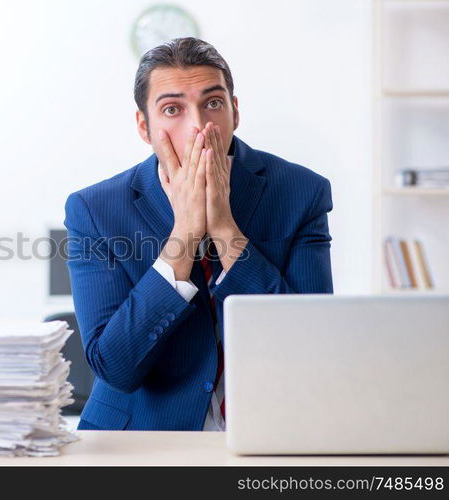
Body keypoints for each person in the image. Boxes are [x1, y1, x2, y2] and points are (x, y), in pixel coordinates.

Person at [63, 37, 333, 431]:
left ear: (235, 112)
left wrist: (224, 227)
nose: (198, 127)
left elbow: (309, 347)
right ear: (145, 126)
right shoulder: (95, 209)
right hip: (138, 437)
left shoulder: (301, 192)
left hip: (268, 430)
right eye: (172, 109)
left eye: (213, 103)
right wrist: (185, 234)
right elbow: (115, 368)